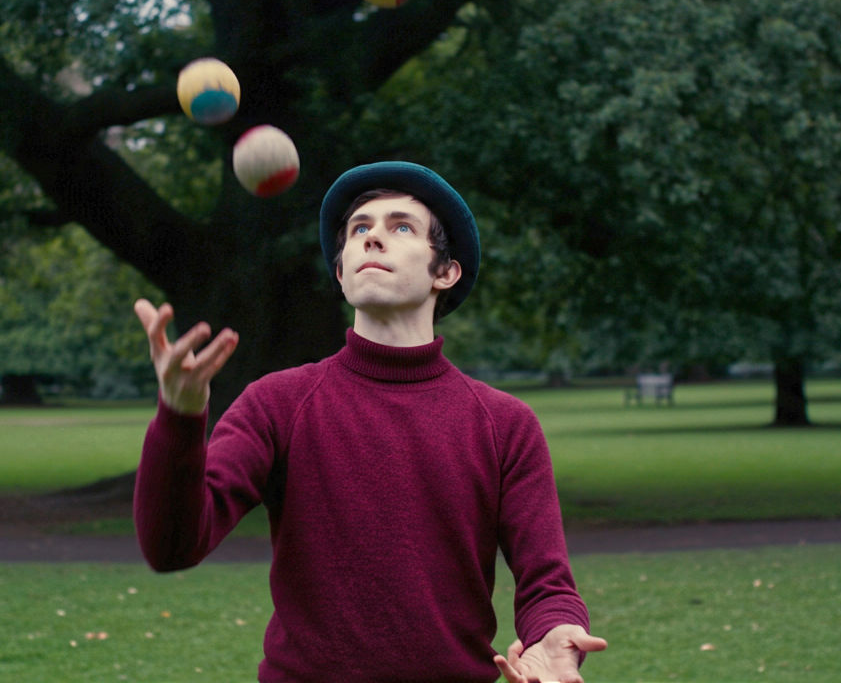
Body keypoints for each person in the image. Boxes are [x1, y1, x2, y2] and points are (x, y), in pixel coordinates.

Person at [132, 161, 606, 682]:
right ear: (341, 273)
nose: (372, 238)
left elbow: (546, 584)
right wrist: (179, 417)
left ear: (446, 272)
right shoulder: (276, 403)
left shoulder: (505, 424)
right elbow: (172, 546)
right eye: (359, 229)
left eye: (401, 227)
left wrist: (555, 634)